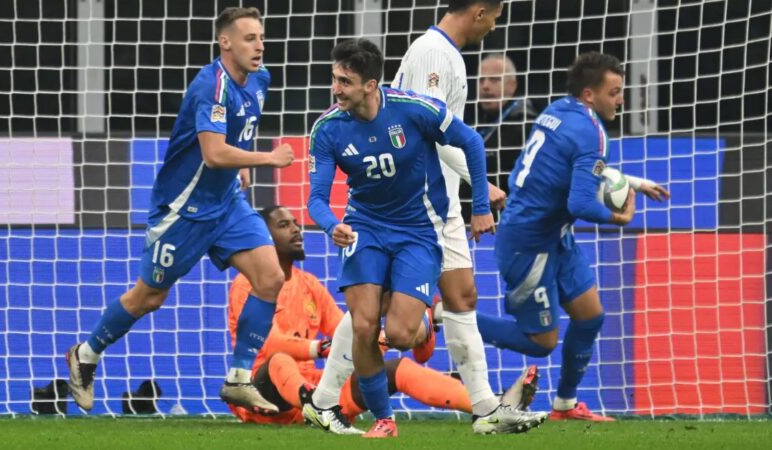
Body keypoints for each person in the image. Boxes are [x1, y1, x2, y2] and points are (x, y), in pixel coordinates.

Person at [304, 38, 542, 438]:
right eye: (335, 78)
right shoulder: (328, 128)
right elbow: (315, 198)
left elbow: (470, 142)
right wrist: (332, 226)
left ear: (371, 84)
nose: (336, 89)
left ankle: (423, 329)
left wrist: (480, 205)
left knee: (398, 335)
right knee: (364, 324)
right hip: (365, 229)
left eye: (345, 81)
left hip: (418, 232)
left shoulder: (414, 110)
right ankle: (384, 420)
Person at [64, 7, 295, 415]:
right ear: (225, 42)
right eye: (248, 38)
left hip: (225, 205)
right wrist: (266, 159)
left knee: (271, 276)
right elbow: (213, 151)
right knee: (149, 297)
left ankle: (239, 378)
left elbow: (236, 133)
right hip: (183, 211)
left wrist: (240, 164)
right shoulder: (211, 86)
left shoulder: (260, 79)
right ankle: (86, 354)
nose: (259, 46)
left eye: (261, 37)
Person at [476, 52, 670, 421]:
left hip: (554, 234)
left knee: (590, 315)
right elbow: (580, 201)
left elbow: (571, 168)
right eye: (614, 92)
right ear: (589, 95)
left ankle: (565, 404)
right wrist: (620, 216)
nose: (620, 99)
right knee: (541, 342)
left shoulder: (559, 110)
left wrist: (636, 182)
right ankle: (445, 317)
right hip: (528, 241)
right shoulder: (593, 133)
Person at [387, 0, 546, 433]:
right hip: (419, 202)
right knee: (385, 317)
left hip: (438, 198)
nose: (494, 27)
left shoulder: (444, 54)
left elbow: (441, 135)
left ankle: (485, 410)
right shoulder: (435, 55)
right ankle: (325, 398)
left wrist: (480, 186)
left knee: (462, 297)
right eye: (494, 17)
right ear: (478, 11)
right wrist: (479, 190)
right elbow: (431, 136)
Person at [227, 205, 476, 433]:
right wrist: (320, 348)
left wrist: (390, 337)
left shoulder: (309, 284)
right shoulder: (247, 285)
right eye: (284, 225)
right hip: (265, 396)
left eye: (295, 223)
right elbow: (268, 345)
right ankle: (315, 406)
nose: (296, 230)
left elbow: (347, 330)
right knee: (280, 361)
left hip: (314, 386)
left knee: (400, 368)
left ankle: (483, 404)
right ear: (265, 239)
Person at [459, 54, 539, 221]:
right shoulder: (470, 122)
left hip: (506, 222)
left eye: (494, 80)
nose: (485, 86)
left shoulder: (527, 127)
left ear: (512, 85)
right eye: (481, 80)